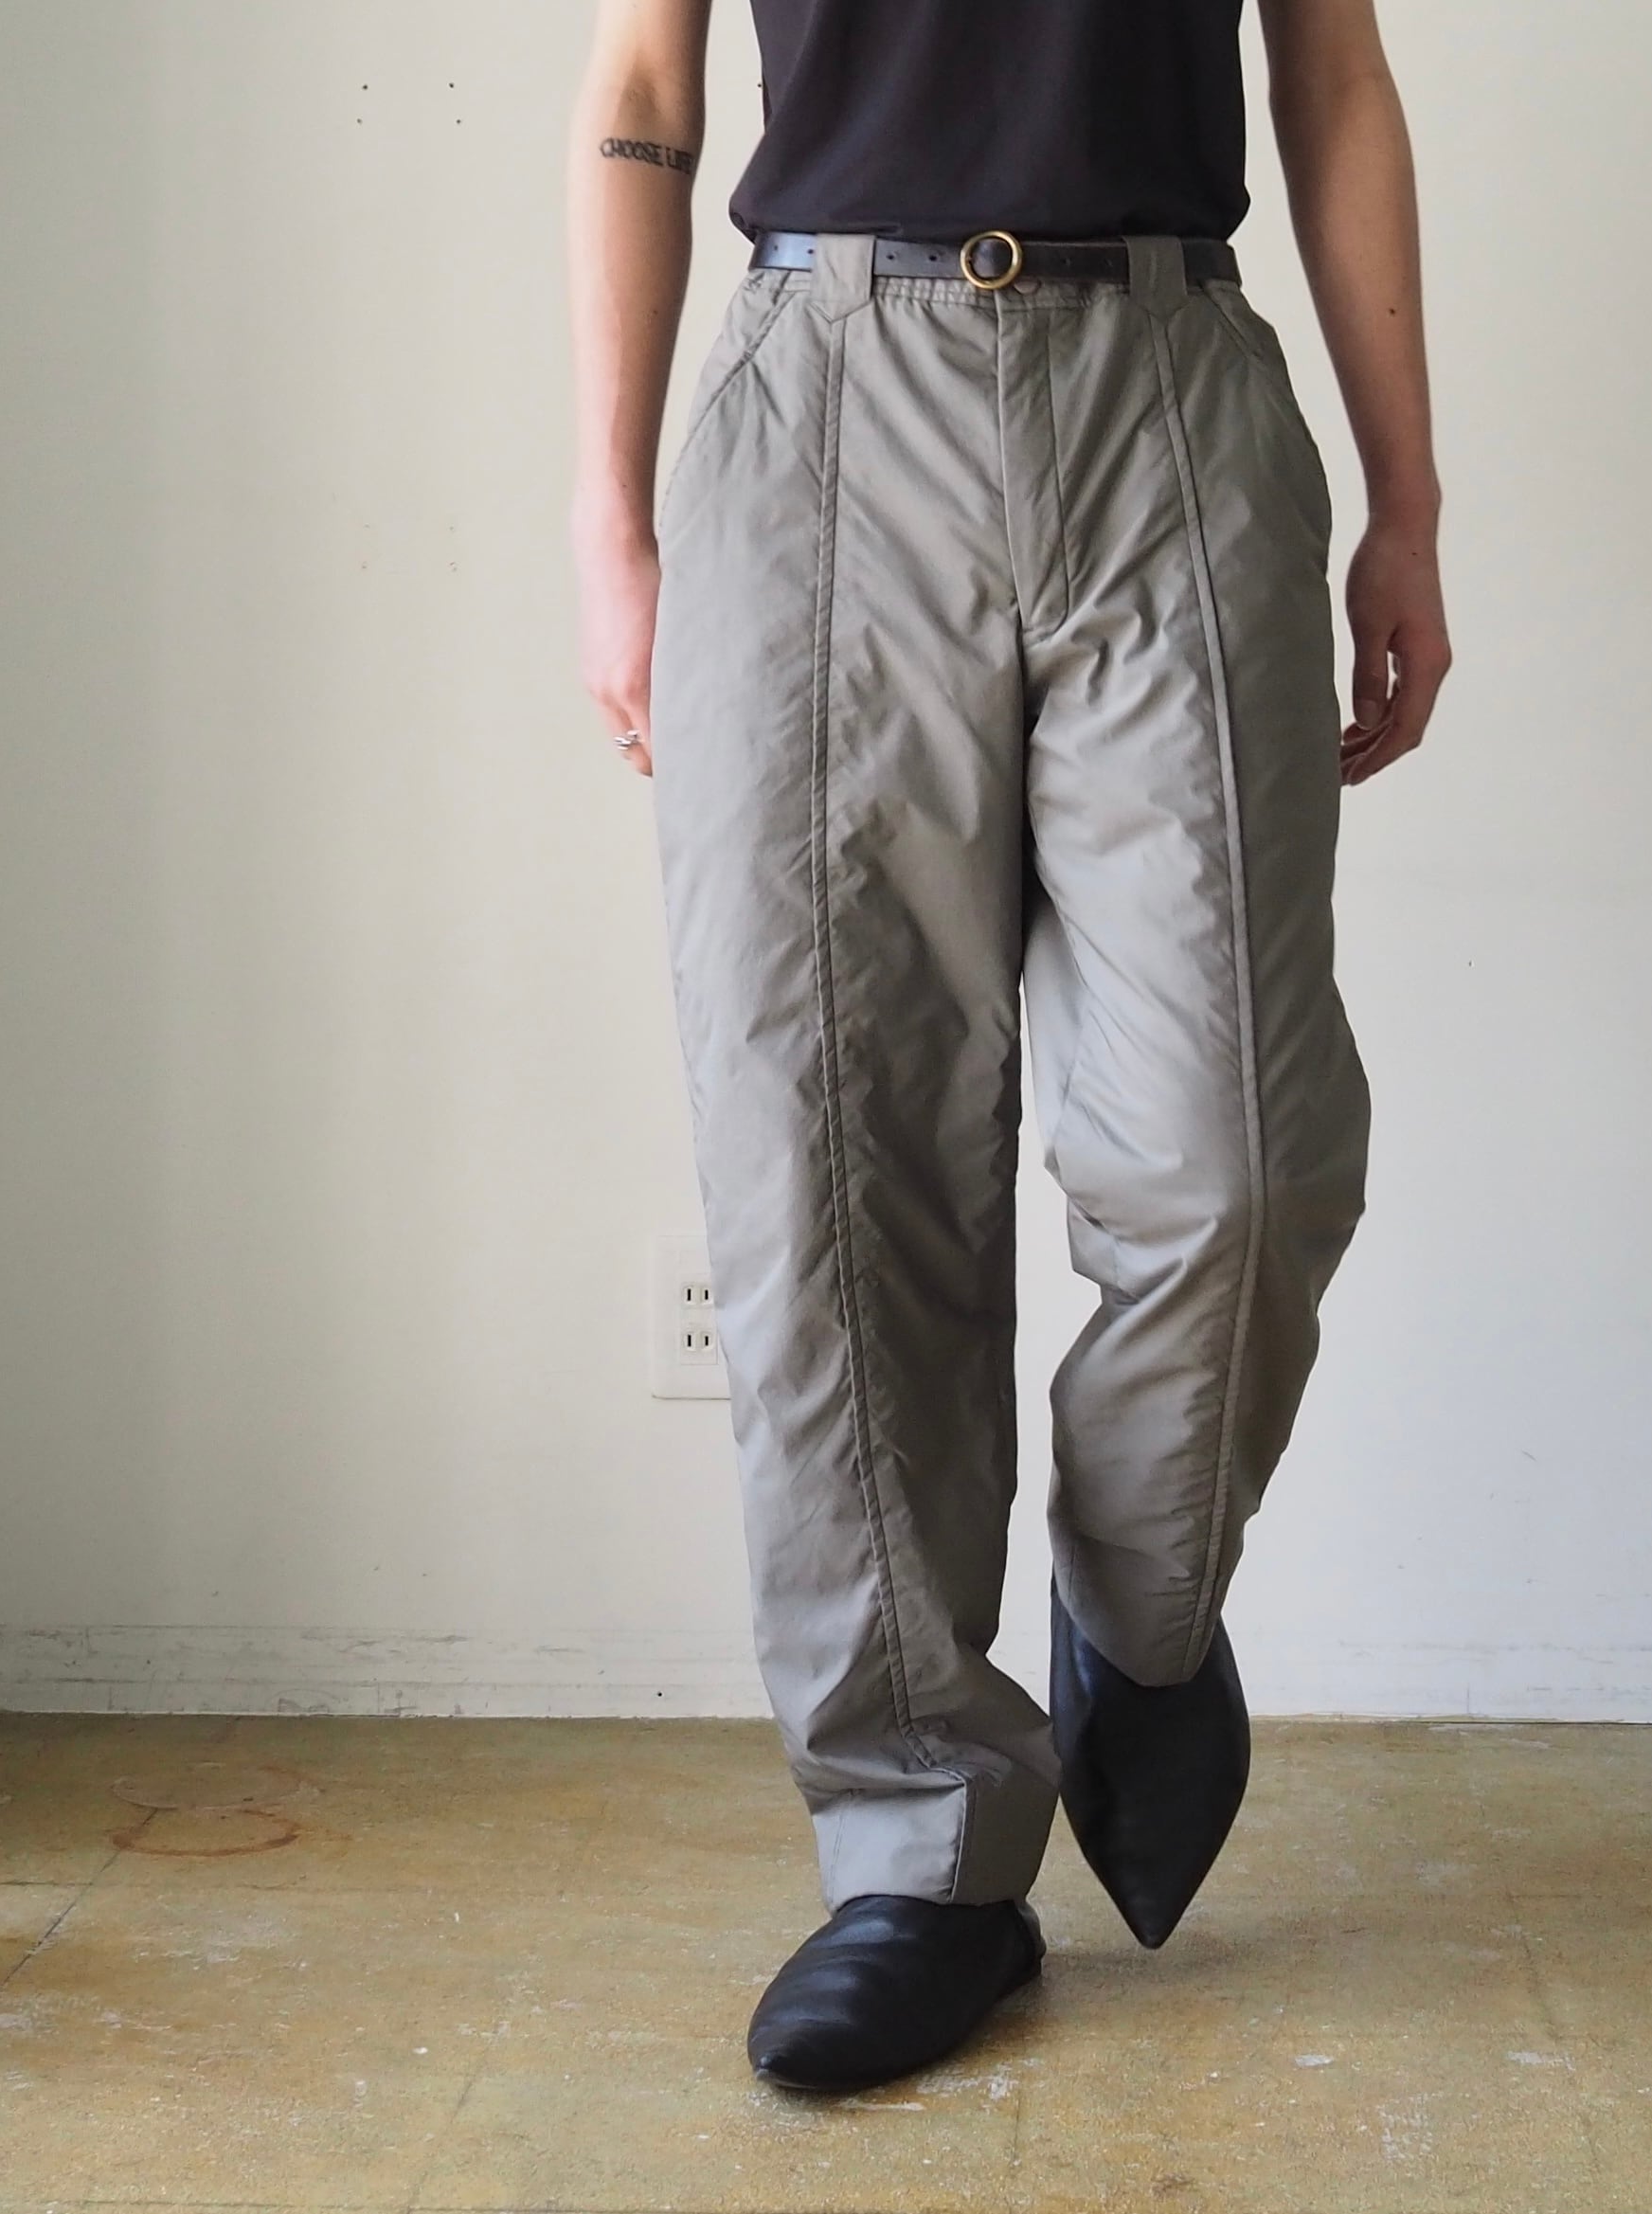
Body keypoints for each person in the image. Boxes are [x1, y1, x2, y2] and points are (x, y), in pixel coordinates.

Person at [566, 0, 1449, 2093]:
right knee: (829, 1163)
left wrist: (1406, 497)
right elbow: (642, 90)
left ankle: (1139, 1611)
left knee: (1240, 1162)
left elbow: (1332, 75)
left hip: (1170, 388)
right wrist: (610, 521)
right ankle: (921, 1852)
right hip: (823, 401)